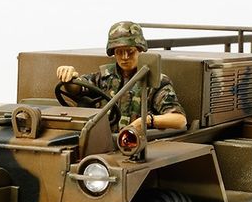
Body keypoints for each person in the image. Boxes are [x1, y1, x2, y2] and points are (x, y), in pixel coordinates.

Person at [56, 21, 187, 132]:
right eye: (119, 52)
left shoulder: (155, 80)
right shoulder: (104, 77)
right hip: (102, 142)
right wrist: (69, 77)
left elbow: (179, 120)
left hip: (137, 145)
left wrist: (146, 121)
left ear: (140, 50)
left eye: (130, 52)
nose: (125, 57)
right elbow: (77, 89)